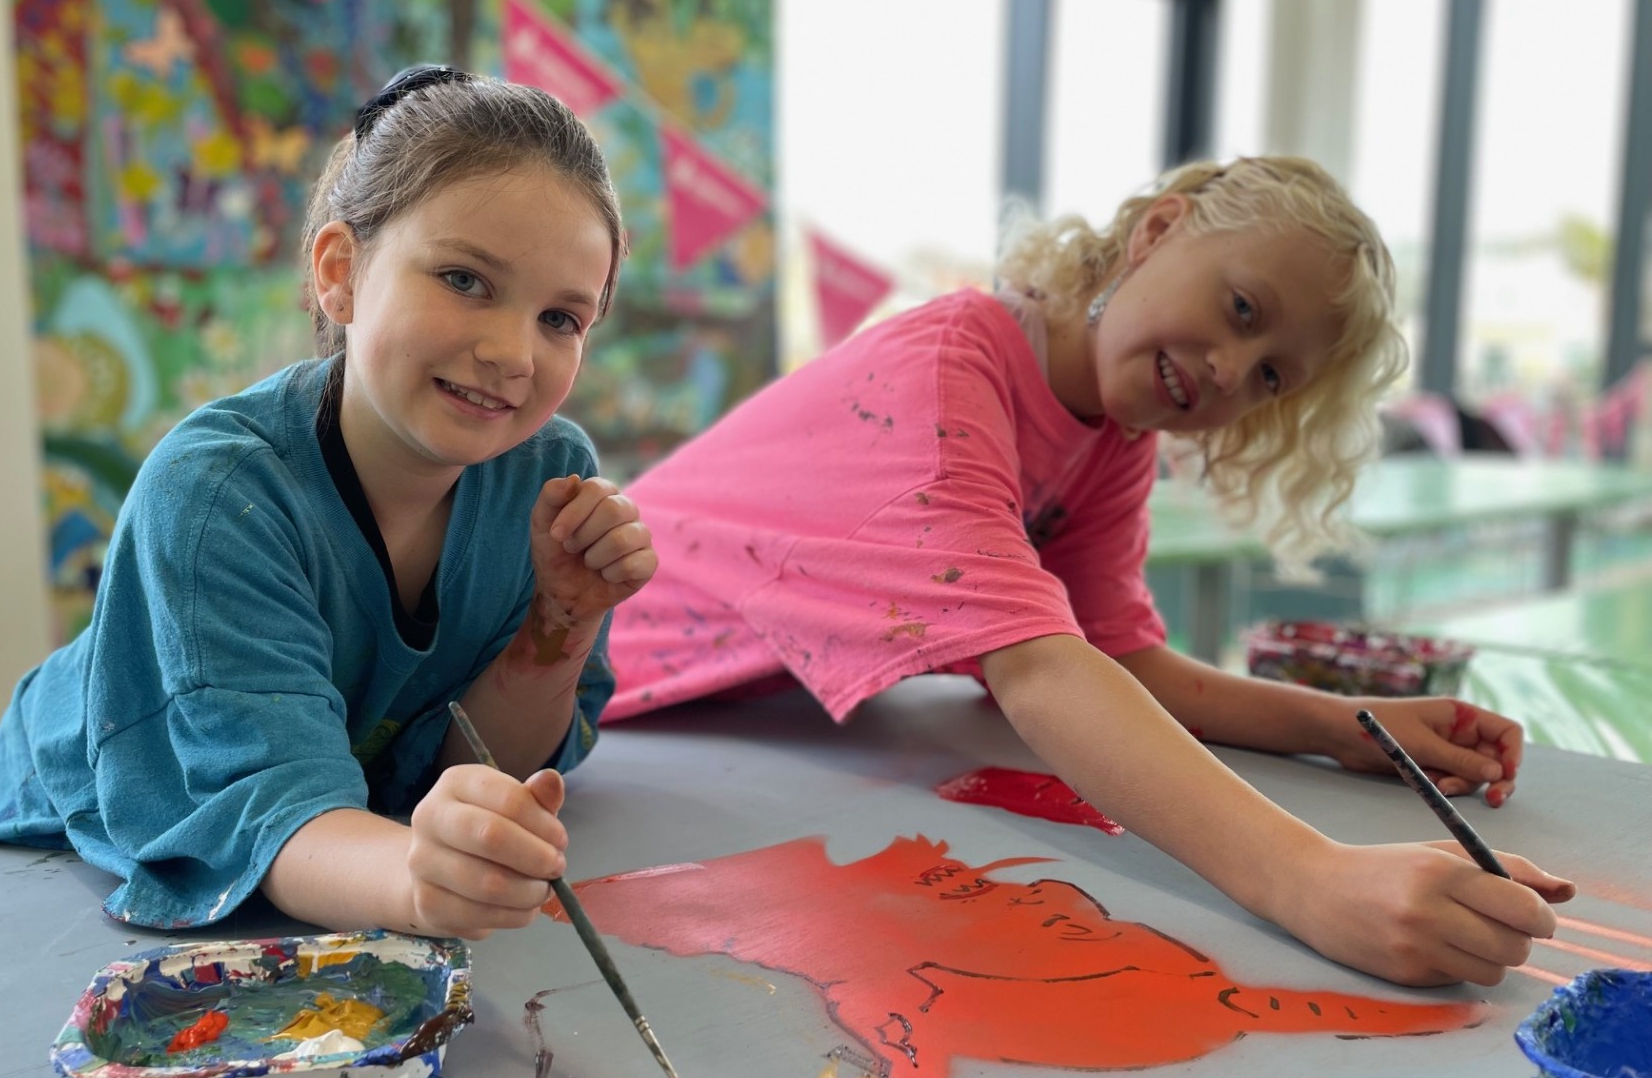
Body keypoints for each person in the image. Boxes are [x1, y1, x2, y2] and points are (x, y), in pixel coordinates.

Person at [604, 155, 1571, 988]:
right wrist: (1309, 878)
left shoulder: (1111, 439)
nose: (1233, 370)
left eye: (1272, 373)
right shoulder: (947, 375)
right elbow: (1037, 671)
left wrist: (1348, 730)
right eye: (1241, 309)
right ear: (1156, 233)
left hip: (714, 731)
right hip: (586, 698)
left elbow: (1117, 657)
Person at [0, 67, 657, 940]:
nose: (511, 351)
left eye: (561, 319)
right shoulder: (217, 495)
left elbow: (464, 765)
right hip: (64, 868)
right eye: (465, 279)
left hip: (335, 865)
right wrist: (421, 880)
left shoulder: (542, 477)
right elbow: (269, 813)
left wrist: (562, 622)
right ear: (340, 271)